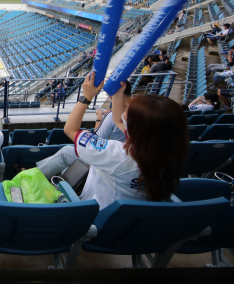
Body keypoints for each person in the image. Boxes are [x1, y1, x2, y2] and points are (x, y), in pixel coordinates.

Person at [36, 72, 189, 210]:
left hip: (96, 216)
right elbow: (118, 121)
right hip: (126, 218)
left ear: (139, 127)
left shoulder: (116, 153)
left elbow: (71, 130)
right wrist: (118, 94)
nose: (126, 109)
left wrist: (86, 97)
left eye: (129, 110)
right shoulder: (168, 150)